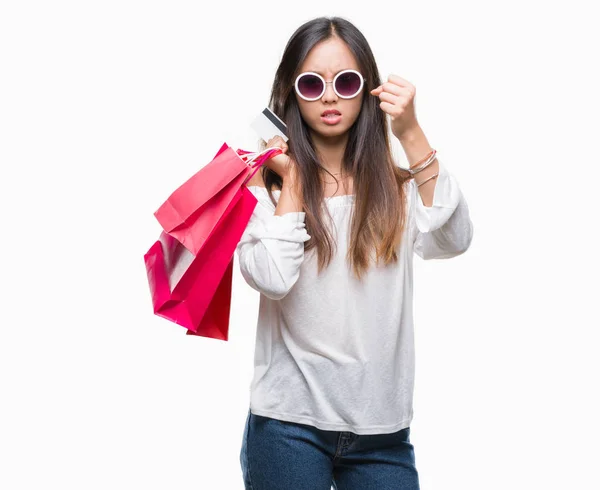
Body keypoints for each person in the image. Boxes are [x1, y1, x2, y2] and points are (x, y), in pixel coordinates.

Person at [236, 16, 473, 490]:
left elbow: (454, 239)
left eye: (345, 82)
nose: (328, 96)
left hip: (382, 434)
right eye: (311, 83)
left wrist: (410, 132)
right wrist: (295, 185)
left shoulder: (396, 191)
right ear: (291, 92)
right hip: (288, 426)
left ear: (367, 90)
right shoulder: (262, 188)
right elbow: (272, 277)